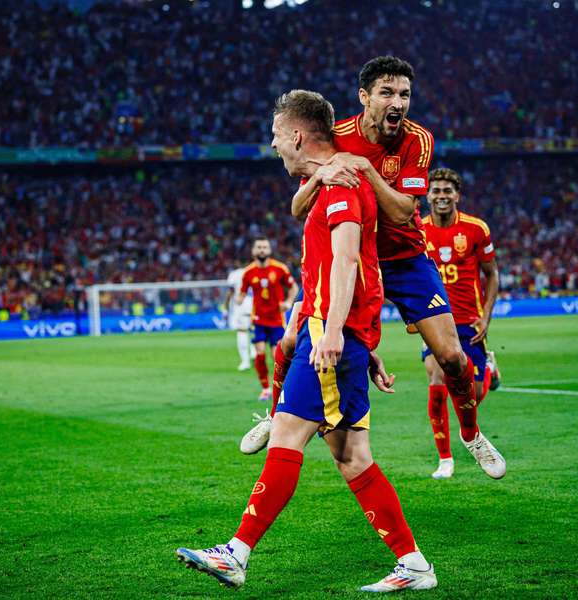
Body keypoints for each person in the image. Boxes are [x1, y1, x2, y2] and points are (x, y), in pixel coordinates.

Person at [177, 89, 437, 593]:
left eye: (277, 136)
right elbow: (357, 263)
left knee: (288, 436)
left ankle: (235, 554)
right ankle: (415, 565)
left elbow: (346, 261)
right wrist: (361, 340)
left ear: (297, 134)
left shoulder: (340, 186)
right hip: (343, 338)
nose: (275, 147)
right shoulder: (331, 180)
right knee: (352, 457)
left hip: (327, 338)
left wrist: (338, 332)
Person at [241, 56, 478, 454]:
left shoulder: (418, 140)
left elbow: (404, 212)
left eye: (404, 94)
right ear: (364, 97)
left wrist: (365, 171)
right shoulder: (339, 134)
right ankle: (272, 416)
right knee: (288, 341)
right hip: (352, 256)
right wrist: (320, 174)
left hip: (404, 258)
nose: (397, 103)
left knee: (452, 356)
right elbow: (299, 207)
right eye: (387, 93)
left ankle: (471, 434)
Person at [421, 168, 505, 480]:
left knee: (475, 390)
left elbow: (492, 273)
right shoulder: (417, 230)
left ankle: (489, 371)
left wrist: (485, 316)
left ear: (457, 195)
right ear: (427, 195)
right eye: (436, 191)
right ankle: (445, 459)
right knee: (437, 379)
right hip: (433, 320)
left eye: (447, 191)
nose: (441, 196)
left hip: (469, 320)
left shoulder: (475, 228)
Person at [239, 238, 298, 400]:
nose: (262, 250)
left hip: (276, 320)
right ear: (253, 251)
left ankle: (283, 388)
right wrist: (239, 299)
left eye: (265, 247)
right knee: (259, 354)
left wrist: (288, 302)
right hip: (257, 320)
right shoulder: (248, 272)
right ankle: (265, 388)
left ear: (270, 250)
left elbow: (294, 287)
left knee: (277, 356)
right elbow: (242, 293)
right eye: (259, 247)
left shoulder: (280, 268)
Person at [226, 261, 254, 371]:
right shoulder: (253, 271)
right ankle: (254, 351)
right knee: (254, 329)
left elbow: (230, 292)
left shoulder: (234, 274)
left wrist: (226, 306)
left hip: (241, 303)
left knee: (242, 331)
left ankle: (245, 361)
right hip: (254, 303)